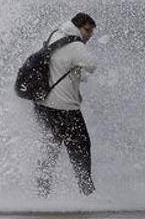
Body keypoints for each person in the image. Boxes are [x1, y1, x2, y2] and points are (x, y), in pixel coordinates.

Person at [33, 12, 97, 197]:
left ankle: (40, 193)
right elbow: (92, 65)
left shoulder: (56, 35)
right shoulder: (75, 45)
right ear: (78, 27)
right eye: (87, 30)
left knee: (51, 148)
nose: (89, 34)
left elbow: (59, 64)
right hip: (64, 107)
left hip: (43, 104)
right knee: (81, 147)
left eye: (92, 31)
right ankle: (87, 193)